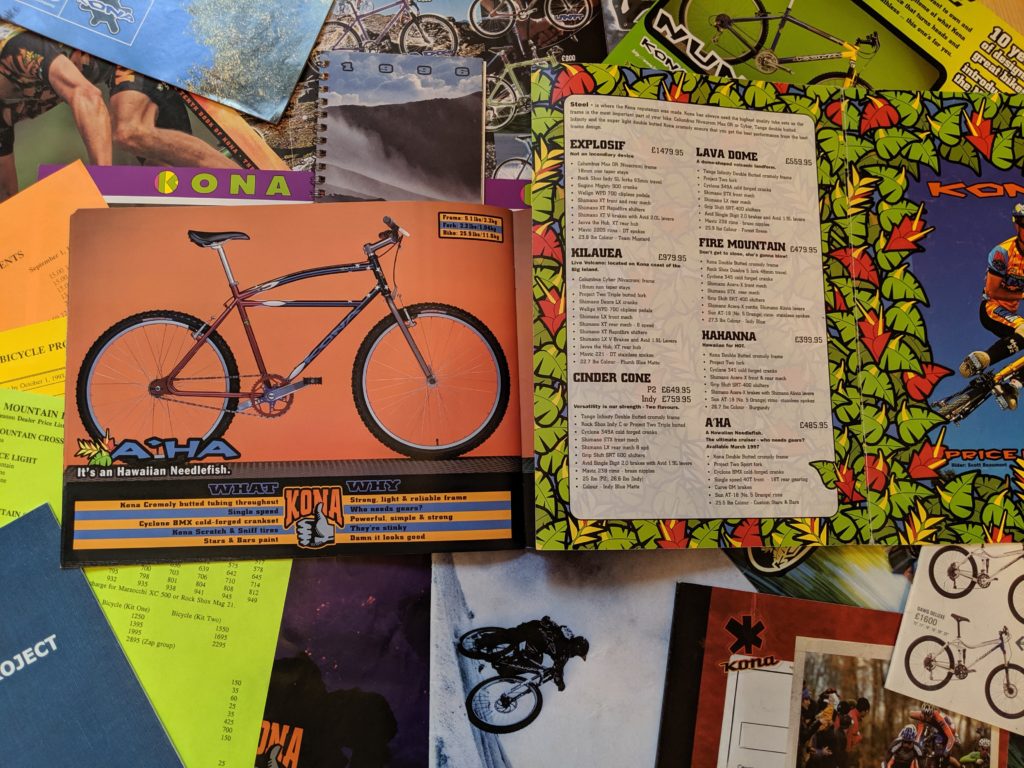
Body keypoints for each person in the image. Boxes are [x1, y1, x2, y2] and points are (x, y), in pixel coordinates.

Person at [0, 21, 111, 199]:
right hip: (109, 72)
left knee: (131, 130)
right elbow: (6, 194)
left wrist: (105, 183)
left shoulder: (15, 49)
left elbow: (87, 94)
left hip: (125, 51)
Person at [108, 65, 239, 168]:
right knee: (159, 167)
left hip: (133, 58)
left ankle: (242, 180)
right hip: (122, 67)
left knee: (129, 132)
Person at [959, 203, 1024, 409]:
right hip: (991, 309)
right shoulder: (1003, 252)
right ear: (1017, 225)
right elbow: (993, 291)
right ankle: (983, 359)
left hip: (1011, 315)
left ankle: (1012, 386)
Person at [497, 615, 589, 692]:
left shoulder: (566, 633)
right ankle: (506, 670)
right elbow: (558, 671)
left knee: (510, 635)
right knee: (535, 662)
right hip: (534, 642)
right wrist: (560, 684)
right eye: (578, 654)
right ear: (577, 649)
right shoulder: (565, 652)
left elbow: (552, 624)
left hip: (533, 626)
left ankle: (494, 644)